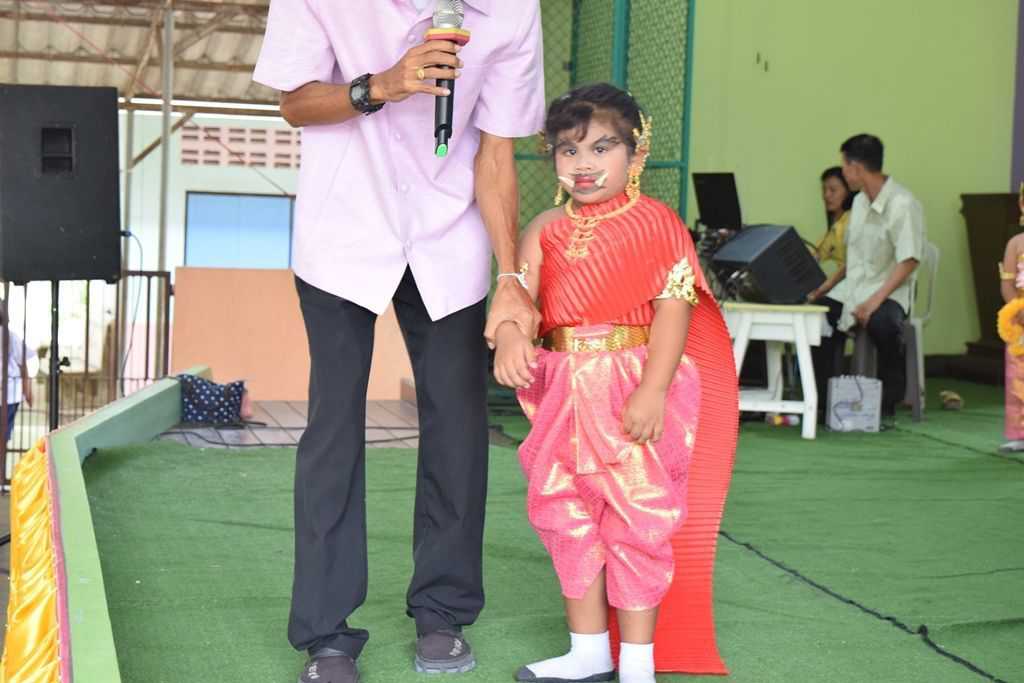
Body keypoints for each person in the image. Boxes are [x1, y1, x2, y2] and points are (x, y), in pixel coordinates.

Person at [252, 2, 546, 682]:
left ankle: (442, 613)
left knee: (459, 424)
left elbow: (496, 153)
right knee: (333, 424)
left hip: (451, 231)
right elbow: (294, 104)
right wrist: (379, 85)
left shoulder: (511, 9)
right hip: (343, 227)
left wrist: (510, 277)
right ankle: (326, 635)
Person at [493, 84, 737, 683]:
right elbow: (518, 298)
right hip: (561, 388)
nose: (584, 164)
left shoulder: (657, 223)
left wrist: (653, 390)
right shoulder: (544, 229)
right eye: (568, 149)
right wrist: (511, 335)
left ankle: (637, 664)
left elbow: (674, 308)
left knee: (635, 516)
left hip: (629, 383)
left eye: (601, 148)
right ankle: (588, 653)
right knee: (563, 512)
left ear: (636, 152)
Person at [809, 134, 925, 420]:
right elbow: (854, 257)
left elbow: (909, 260)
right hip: (854, 287)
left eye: (844, 167)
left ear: (856, 168)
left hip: (891, 289)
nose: (844, 172)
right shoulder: (859, 202)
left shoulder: (903, 204)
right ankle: (822, 400)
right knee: (818, 315)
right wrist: (825, 287)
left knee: (882, 323)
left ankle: (888, 400)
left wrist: (874, 301)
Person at [808, 166, 856, 413]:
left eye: (833, 190)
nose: (826, 195)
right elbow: (815, 255)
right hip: (841, 290)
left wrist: (821, 290)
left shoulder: (853, 221)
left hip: (854, 291)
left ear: (848, 192)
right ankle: (816, 393)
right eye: (824, 190)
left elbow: (850, 266)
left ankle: (822, 396)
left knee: (821, 313)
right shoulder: (836, 225)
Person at [997, 182, 1024, 452]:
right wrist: (1017, 308)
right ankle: (1019, 433)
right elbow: (1007, 284)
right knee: (1018, 375)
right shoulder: (1015, 244)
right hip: (1020, 319)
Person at [0, 302, 33, 444]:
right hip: (10, 394)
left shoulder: (10, 336)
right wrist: (27, 392)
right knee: (3, 435)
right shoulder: (11, 336)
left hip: (10, 393)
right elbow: (23, 365)